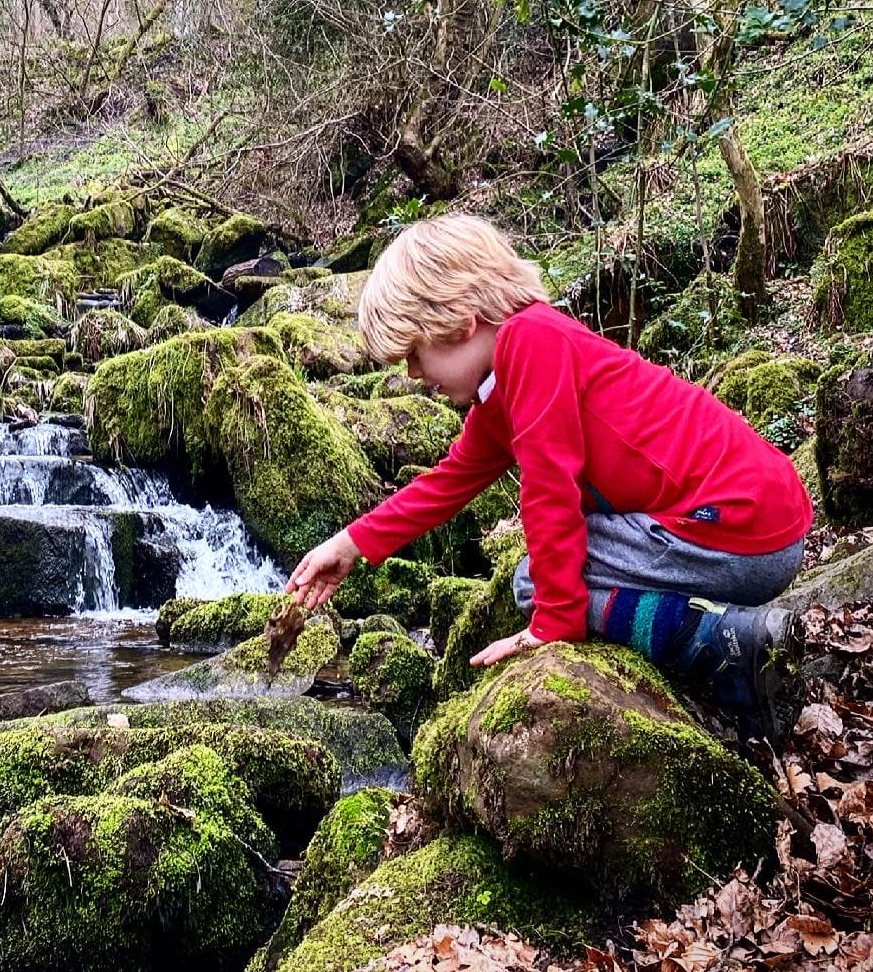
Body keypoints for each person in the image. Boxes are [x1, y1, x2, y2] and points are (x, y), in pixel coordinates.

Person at [284, 213, 812, 743]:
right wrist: (351, 543)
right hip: (752, 525)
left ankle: (726, 641)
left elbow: (549, 488)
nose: (415, 377)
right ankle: (718, 647)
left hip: (738, 530)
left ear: (461, 322)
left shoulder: (531, 344)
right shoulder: (508, 384)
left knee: (538, 584)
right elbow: (448, 482)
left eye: (416, 356)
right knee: (535, 579)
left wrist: (553, 626)